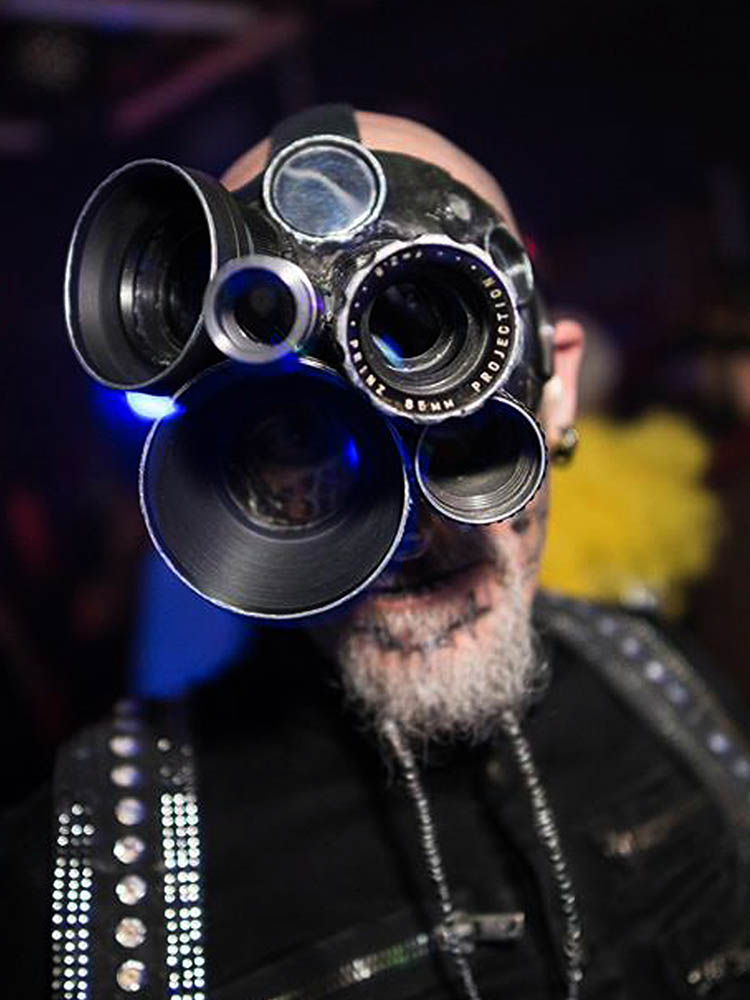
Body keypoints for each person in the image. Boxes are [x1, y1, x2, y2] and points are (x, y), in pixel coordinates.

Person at [3, 109, 750, 1000]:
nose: (408, 533)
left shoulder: (668, 684)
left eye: (455, 424)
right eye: (301, 438)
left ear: (556, 396)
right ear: (215, 465)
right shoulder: (87, 873)